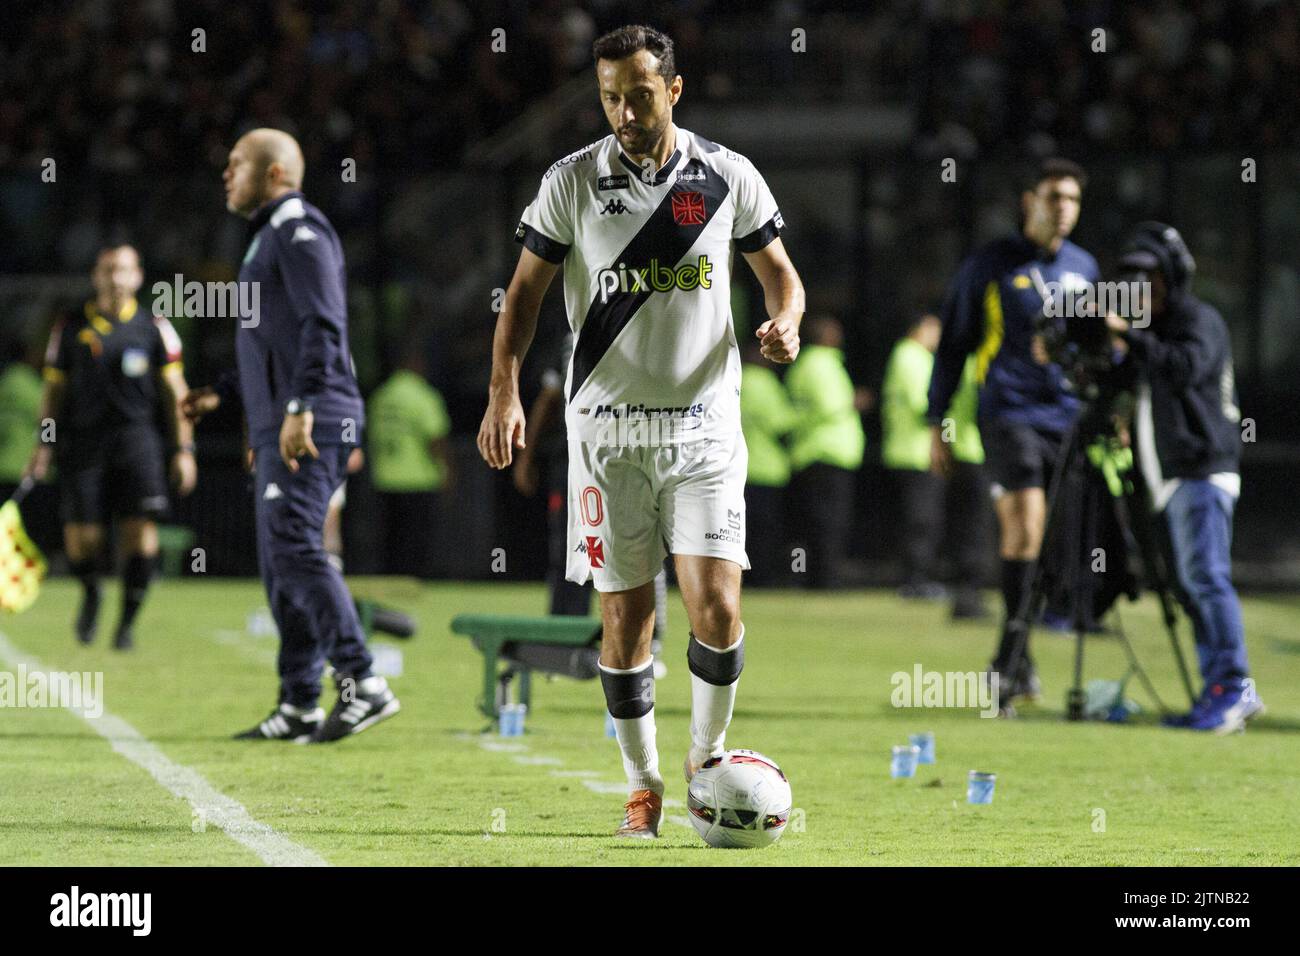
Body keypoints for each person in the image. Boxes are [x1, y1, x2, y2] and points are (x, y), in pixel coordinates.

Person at [478, 24, 803, 838]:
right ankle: (643, 785)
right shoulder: (572, 181)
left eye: (640, 94)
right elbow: (521, 297)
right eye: (611, 97)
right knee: (625, 624)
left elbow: (781, 279)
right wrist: (504, 396)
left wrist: (786, 323)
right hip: (607, 435)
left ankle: (706, 757)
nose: (624, 111)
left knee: (717, 606)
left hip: (702, 430)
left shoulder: (725, 177)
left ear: (675, 90)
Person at [183, 128, 398, 743]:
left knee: (296, 547)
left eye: (237, 163)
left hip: (313, 418)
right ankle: (301, 701)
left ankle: (364, 682)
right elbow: (273, 338)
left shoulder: (298, 227)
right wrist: (224, 389)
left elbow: (324, 324)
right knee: (282, 562)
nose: (226, 174)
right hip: (288, 418)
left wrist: (299, 407)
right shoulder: (268, 237)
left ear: (274, 173)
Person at [927, 158, 1098, 709]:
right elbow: (954, 343)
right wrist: (939, 422)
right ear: (1030, 201)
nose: (1063, 209)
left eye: (1072, 199)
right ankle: (1006, 664)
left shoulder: (1086, 268)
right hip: (1009, 415)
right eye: (1053, 197)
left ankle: (1016, 664)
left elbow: (1098, 348)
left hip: (1067, 421)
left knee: (1052, 544)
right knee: (1024, 527)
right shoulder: (990, 264)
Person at [1108, 222, 1263, 733]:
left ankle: (1234, 686)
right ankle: (1217, 692)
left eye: (1150, 280)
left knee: (1206, 578)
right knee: (1190, 584)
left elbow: (1185, 367)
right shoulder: (1153, 333)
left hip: (1201, 470)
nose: (1141, 291)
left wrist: (1125, 336)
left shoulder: (1198, 320)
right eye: (1132, 281)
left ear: (1173, 279)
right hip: (1175, 478)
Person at [25, 245, 196, 649]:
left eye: (123, 270)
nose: (115, 278)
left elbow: (176, 393)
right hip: (83, 443)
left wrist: (184, 450)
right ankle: (91, 593)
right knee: (82, 539)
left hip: (138, 441)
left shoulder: (154, 325)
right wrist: (43, 445)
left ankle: (127, 623)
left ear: (137, 277)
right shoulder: (69, 327)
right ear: (95, 276)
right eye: (107, 270)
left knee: (140, 534)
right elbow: (53, 392)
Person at [786, 315, 865, 589]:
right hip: (827, 451)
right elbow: (829, 406)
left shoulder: (803, 364)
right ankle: (826, 579)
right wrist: (855, 401)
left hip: (810, 451)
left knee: (812, 521)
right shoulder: (822, 364)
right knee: (830, 522)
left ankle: (808, 575)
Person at [368, 347, 452, 578]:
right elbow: (436, 438)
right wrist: (447, 470)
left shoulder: (381, 396)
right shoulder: (423, 395)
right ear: (416, 363)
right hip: (418, 479)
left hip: (385, 478)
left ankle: (390, 583)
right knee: (416, 542)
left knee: (390, 540)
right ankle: (414, 581)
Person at [739, 339, 797, 586]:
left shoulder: (735, 379)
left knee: (741, 530)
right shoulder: (763, 383)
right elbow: (781, 424)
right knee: (764, 531)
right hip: (766, 468)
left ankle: (742, 577)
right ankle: (762, 578)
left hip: (738, 466)